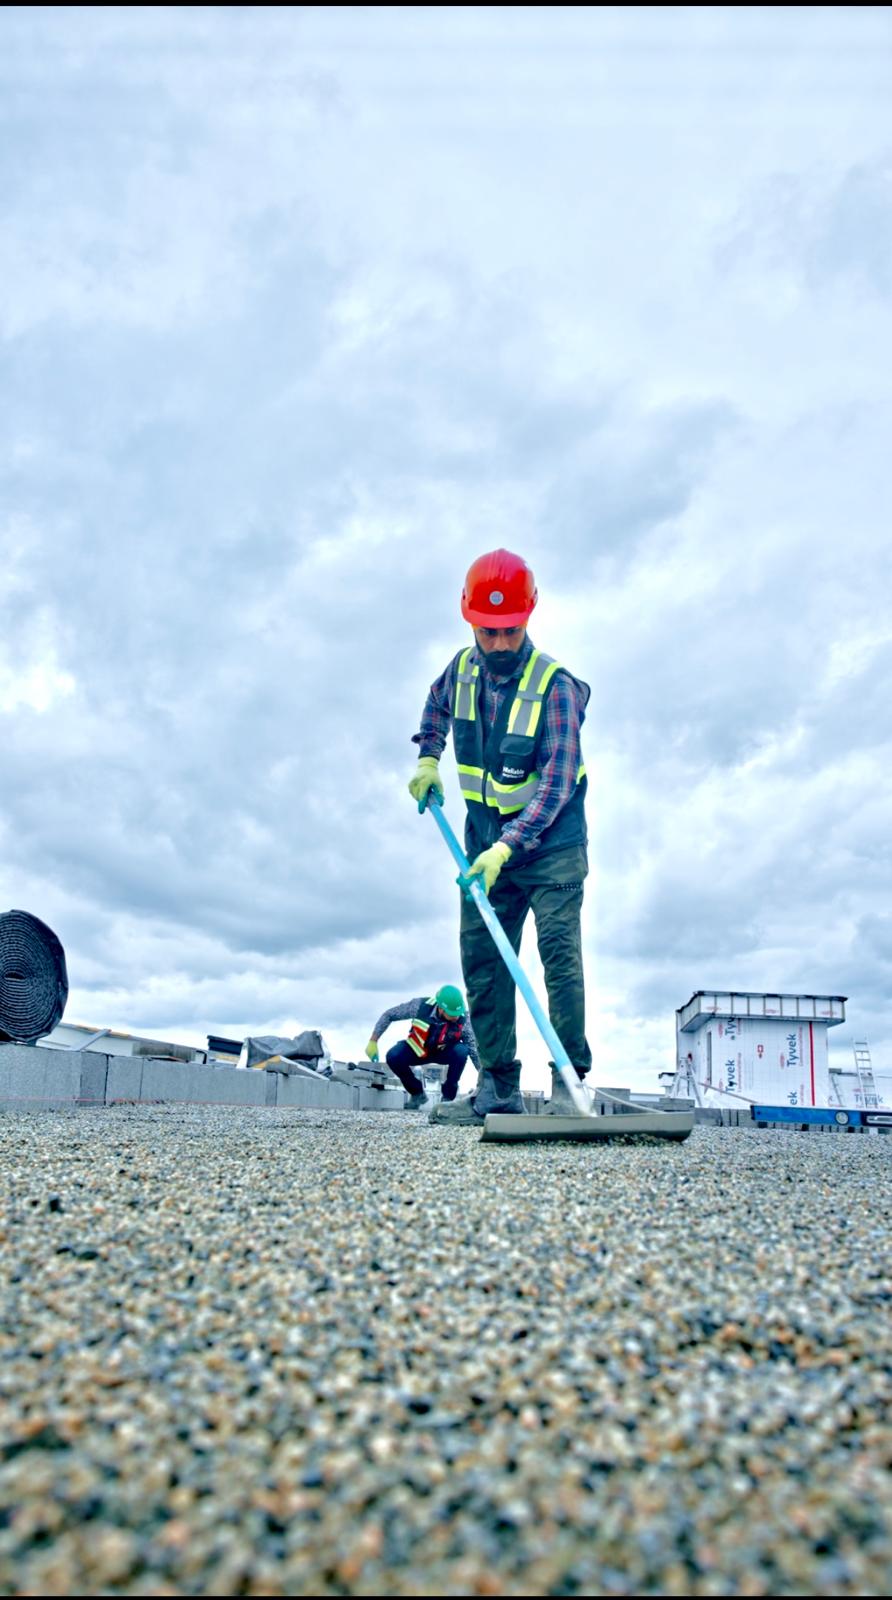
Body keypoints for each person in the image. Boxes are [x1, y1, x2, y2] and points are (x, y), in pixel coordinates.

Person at [408, 549, 592, 1123]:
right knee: (484, 962)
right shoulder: (460, 671)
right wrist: (429, 758)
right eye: (489, 631)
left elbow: (556, 783)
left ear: (529, 616)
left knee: (559, 959)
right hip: (484, 843)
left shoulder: (555, 687)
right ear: (470, 620)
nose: (501, 642)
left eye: (511, 629)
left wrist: (507, 847)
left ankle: (570, 1087)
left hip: (551, 847)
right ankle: (497, 1089)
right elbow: (435, 706)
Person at [365, 984, 481, 1110]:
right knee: (393, 1056)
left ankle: (447, 1098)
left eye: (458, 1013)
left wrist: (486, 1075)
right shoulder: (420, 1006)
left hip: (444, 1052)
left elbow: (473, 1051)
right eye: (452, 1014)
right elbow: (389, 1015)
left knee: (462, 1051)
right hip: (418, 1050)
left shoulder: (465, 1020)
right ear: (441, 1008)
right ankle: (417, 1093)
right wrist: (373, 1041)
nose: (456, 1017)